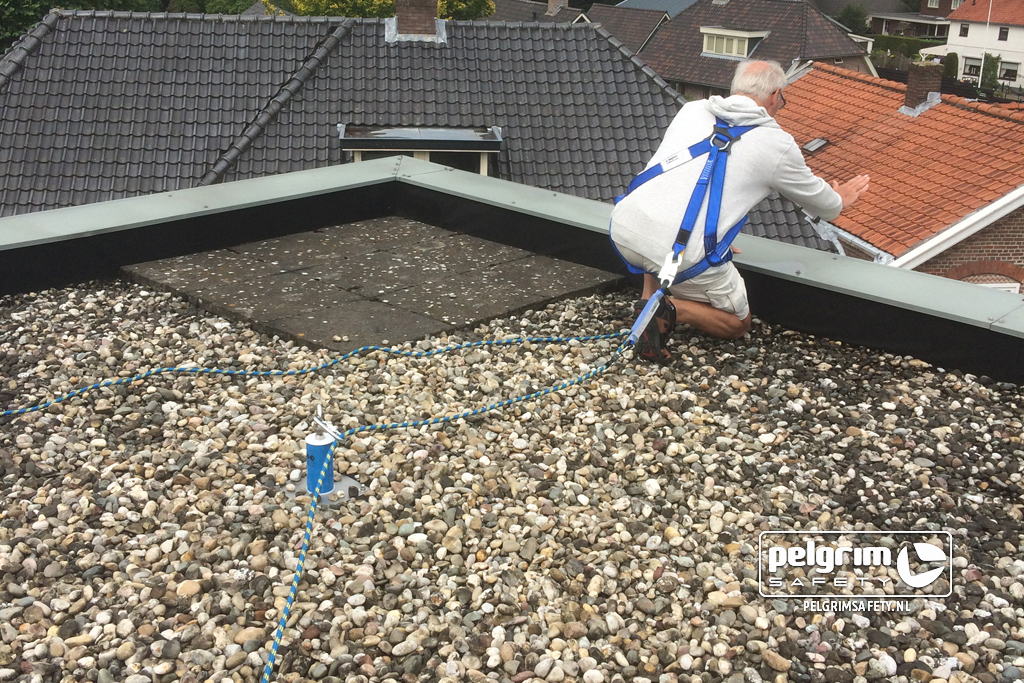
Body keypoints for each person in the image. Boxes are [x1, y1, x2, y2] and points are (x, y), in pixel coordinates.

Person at [610, 59, 869, 362]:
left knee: (659, 224)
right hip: (682, 257)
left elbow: (682, 185)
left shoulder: (692, 109)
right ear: (775, 95)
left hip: (623, 228)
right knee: (737, 324)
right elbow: (825, 207)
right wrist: (840, 198)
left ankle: (648, 299)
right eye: (781, 99)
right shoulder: (776, 144)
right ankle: (666, 310)